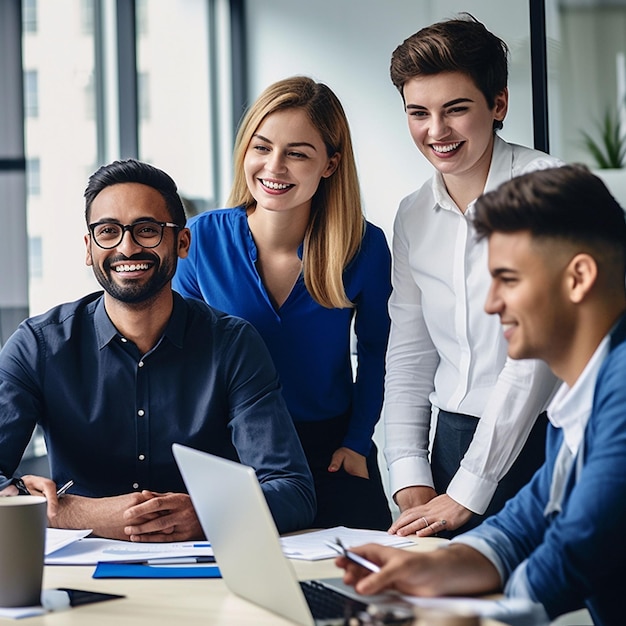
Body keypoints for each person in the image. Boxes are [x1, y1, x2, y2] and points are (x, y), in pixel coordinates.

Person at [337, 164, 626, 626]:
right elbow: (522, 526)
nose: (491, 305)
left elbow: (577, 548)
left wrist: (460, 615)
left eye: (508, 280)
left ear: (578, 278)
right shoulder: (584, 393)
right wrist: (432, 567)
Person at [0, 158, 316, 540]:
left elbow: (292, 490)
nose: (127, 247)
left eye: (147, 230)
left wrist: (206, 514)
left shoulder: (233, 345)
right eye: (108, 231)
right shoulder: (38, 345)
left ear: (182, 242)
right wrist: (78, 513)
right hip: (78, 575)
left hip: (209, 574)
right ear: (89, 248)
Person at [173, 76, 392, 530]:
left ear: (329, 164)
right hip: (235, 449)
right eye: (262, 147)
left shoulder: (364, 247)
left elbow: (377, 353)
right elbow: (181, 357)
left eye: (297, 153)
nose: (274, 167)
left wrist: (356, 440)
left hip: (333, 450)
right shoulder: (200, 241)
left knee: (360, 586)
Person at [384, 14, 563, 538]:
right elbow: (410, 351)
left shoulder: (547, 192)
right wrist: (409, 473)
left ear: (498, 104)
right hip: (453, 441)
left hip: (546, 440)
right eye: (419, 112)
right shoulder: (412, 213)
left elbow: (537, 354)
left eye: (455, 109)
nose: (435, 131)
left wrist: (468, 489)